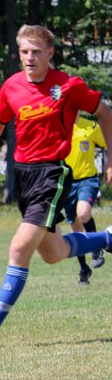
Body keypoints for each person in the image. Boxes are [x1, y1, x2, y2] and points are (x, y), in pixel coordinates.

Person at [0, 24, 112, 348]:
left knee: (19, 248)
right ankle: (108, 239)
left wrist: (111, 158)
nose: (29, 57)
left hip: (51, 175)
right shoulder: (12, 86)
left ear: (50, 53)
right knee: (54, 253)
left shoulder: (68, 86)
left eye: (36, 52)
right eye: (24, 51)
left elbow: (104, 112)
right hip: (23, 176)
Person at [64, 115, 107, 284]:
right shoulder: (59, 126)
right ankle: (84, 269)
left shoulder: (91, 127)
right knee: (76, 230)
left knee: (83, 213)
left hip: (87, 180)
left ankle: (97, 247)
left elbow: (108, 142)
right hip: (67, 183)